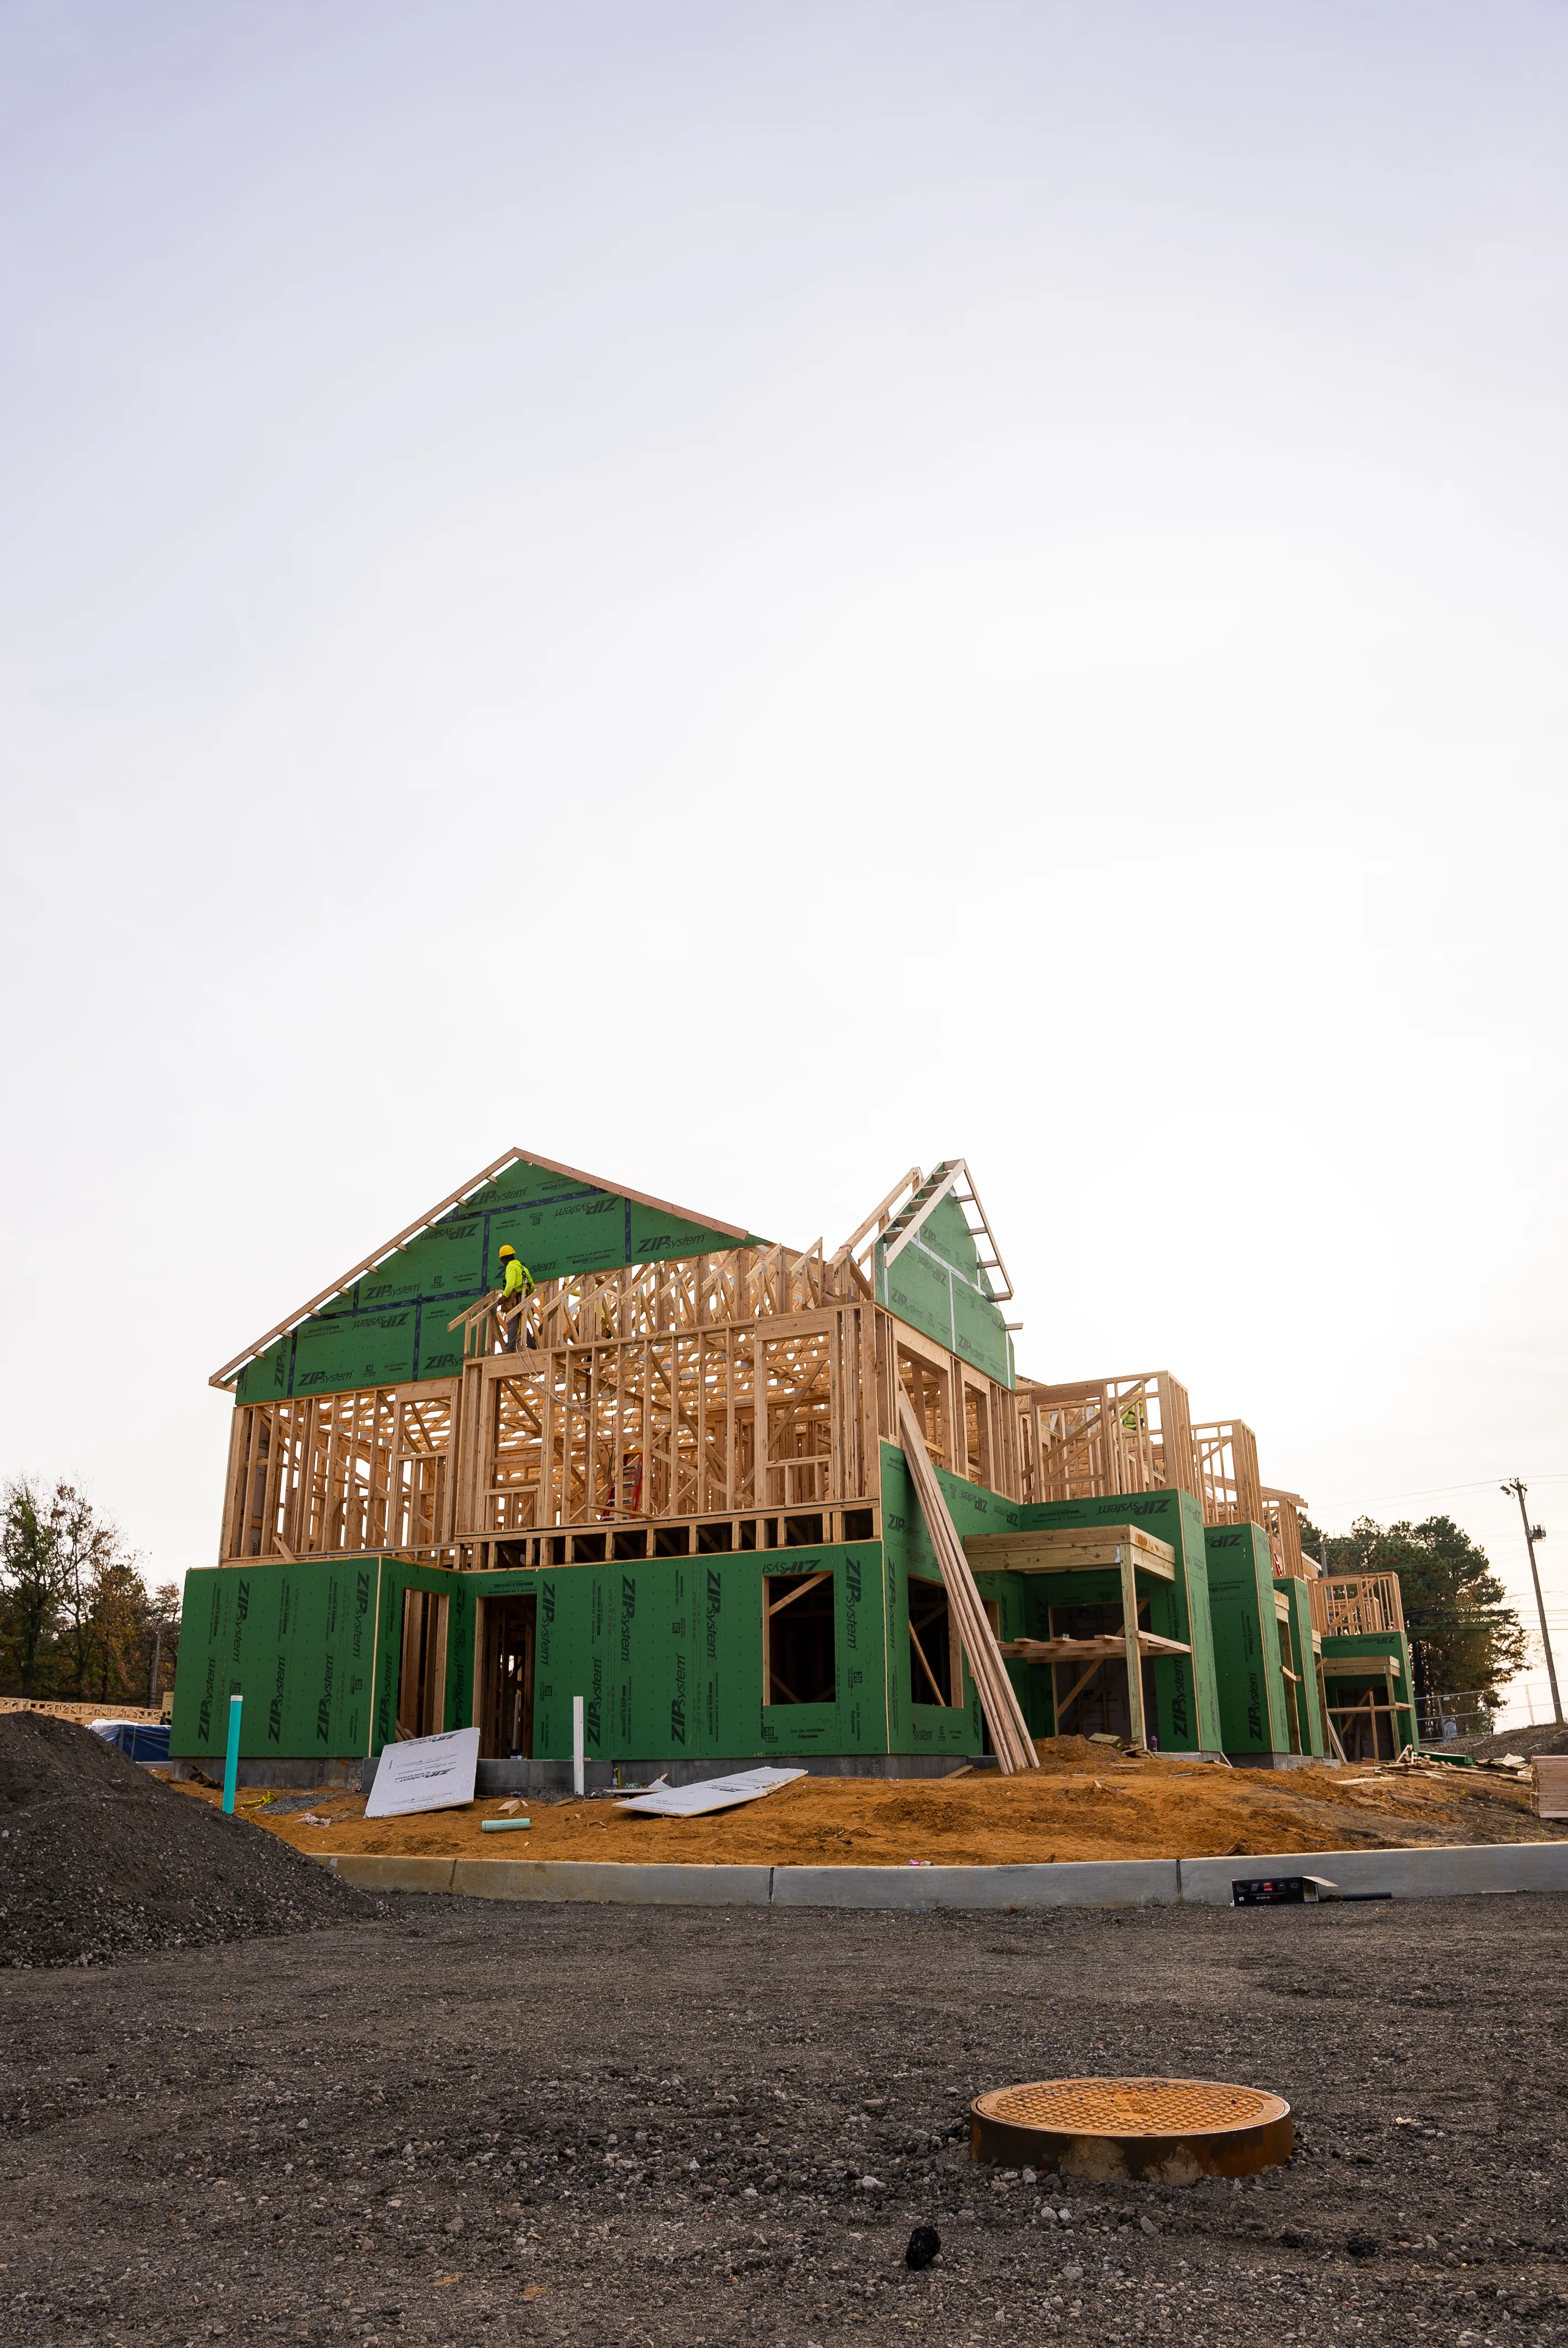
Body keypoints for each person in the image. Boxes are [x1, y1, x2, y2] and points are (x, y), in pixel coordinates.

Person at [497, 1243, 535, 1352]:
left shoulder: (511, 1267)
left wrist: (504, 1297)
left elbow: (510, 1285)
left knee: (511, 1322)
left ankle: (511, 1348)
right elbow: (531, 1285)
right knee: (521, 1324)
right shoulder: (523, 1269)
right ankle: (532, 1345)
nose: (502, 1263)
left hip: (514, 1299)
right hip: (522, 1299)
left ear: (504, 1259)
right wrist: (527, 1298)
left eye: (502, 1260)